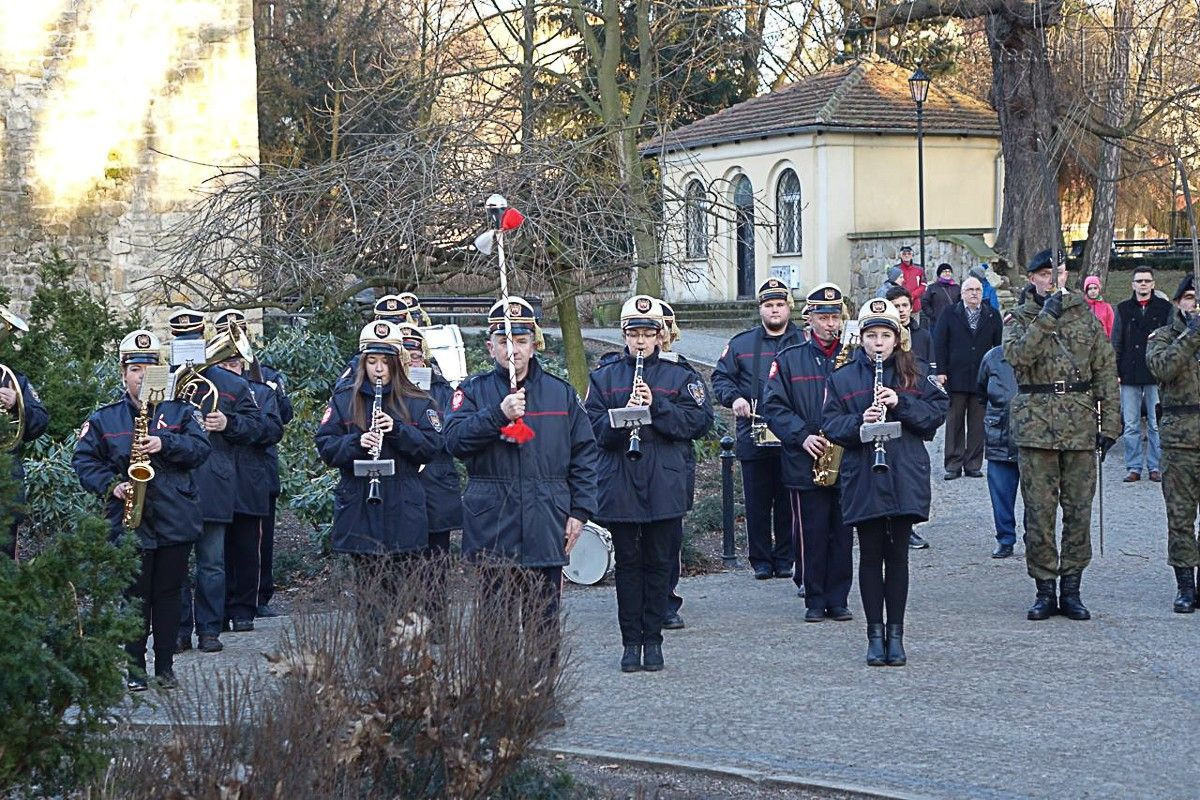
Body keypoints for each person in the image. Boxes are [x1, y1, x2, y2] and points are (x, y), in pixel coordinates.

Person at [442, 297, 598, 703]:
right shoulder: (472, 392)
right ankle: (497, 698)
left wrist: (579, 512)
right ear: (490, 346)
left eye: (522, 339)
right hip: (493, 520)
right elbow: (454, 441)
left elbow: (585, 455)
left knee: (543, 619)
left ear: (535, 344)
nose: (513, 348)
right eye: (503, 339)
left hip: (546, 520)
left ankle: (540, 698)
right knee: (495, 619)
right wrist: (498, 414)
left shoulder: (560, 394)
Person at [72, 330, 211, 691]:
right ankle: (134, 671)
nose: (140, 375)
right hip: (128, 518)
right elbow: (84, 461)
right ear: (124, 375)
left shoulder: (181, 411)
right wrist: (111, 486)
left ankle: (164, 668)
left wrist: (165, 442)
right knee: (133, 599)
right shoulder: (105, 419)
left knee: (168, 595)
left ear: (159, 374)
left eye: (148, 368)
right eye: (134, 369)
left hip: (175, 516)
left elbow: (201, 450)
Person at [586, 296, 712, 672]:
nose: (640, 342)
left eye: (648, 333)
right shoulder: (605, 376)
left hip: (665, 482)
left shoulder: (680, 376)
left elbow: (698, 424)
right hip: (621, 481)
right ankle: (630, 642)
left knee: (659, 563)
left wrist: (656, 405)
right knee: (627, 565)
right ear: (624, 336)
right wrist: (621, 416)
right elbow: (591, 429)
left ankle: (654, 640)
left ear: (661, 336)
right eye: (633, 334)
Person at [822, 299, 948, 666]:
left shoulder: (916, 374)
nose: (878, 343)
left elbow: (936, 415)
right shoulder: (842, 377)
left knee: (898, 558)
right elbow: (830, 423)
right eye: (871, 335)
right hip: (864, 474)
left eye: (885, 335)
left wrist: (900, 403)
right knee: (871, 553)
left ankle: (897, 634)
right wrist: (861, 422)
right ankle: (874, 635)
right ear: (861, 339)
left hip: (904, 472)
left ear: (898, 339)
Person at [1003, 249, 1120, 621]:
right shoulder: (1019, 317)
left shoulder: (1084, 315)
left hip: (1080, 424)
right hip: (1036, 425)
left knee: (1078, 512)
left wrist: (1111, 424)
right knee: (1038, 514)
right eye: (1042, 273)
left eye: (1057, 271)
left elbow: (1104, 368)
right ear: (1031, 278)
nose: (1050, 278)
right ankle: (1043, 589)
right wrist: (1046, 317)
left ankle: (1072, 588)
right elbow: (1018, 357)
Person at [315, 321, 443, 568]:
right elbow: (326, 446)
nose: (379, 369)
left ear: (396, 363)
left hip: (403, 503)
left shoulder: (417, 400)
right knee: (368, 589)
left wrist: (397, 430)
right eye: (372, 361)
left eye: (385, 362)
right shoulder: (345, 399)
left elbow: (432, 447)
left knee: (403, 589)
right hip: (359, 502)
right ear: (363, 363)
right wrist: (357, 442)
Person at [170, 308, 262, 654]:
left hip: (213, 480)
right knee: (175, 565)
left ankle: (209, 629)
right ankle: (178, 630)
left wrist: (228, 423)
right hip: (173, 483)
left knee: (211, 563)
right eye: (181, 341)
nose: (187, 346)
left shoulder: (233, 384)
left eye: (193, 340)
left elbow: (258, 427)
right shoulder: (161, 381)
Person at [762, 283, 854, 623]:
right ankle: (814, 598)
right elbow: (773, 406)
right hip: (806, 459)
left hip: (846, 457)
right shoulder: (788, 360)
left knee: (843, 533)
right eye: (824, 317)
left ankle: (839, 598)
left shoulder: (854, 357)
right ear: (809, 318)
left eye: (836, 316)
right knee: (811, 532)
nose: (831, 324)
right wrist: (802, 437)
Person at [711, 279, 803, 582]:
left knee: (789, 499)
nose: (774, 310)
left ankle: (786, 557)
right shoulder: (741, 344)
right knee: (757, 501)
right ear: (760, 309)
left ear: (788, 307)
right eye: (768, 305)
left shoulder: (803, 341)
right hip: (754, 432)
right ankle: (761, 560)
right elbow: (721, 378)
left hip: (793, 434)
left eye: (779, 304)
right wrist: (734, 398)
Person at [213, 309, 294, 619]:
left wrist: (263, 383)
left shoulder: (266, 376)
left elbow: (281, 419)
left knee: (258, 541)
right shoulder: (211, 380)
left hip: (257, 468)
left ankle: (259, 596)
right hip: (222, 469)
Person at [394, 322, 463, 626]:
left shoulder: (442, 387)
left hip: (436, 482)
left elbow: (450, 430)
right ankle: (406, 621)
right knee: (402, 560)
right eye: (406, 357)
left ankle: (437, 621)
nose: (413, 362)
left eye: (417, 356)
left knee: (436, 561)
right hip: (403, 485)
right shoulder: (390, 390)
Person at [217, 350, 283, 632]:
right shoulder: (207, 390)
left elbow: (271, 429)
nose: (230, 369)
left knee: (247, 548)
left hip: (249, 477)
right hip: (216, 478)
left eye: (234, 363)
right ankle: (217, 611)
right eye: (223, 364)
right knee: (216, 551)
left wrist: (231, 424)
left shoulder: (260, 392)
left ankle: (244, 608)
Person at [1145, 274, 1200, 613]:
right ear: (1180, 302)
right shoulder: (1163, 337)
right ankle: (1185, 586)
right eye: (1190, 297)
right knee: (1180, 516)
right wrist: (1191, 336)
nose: (1194, 303)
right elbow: (1162, 368)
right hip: (1180, 439)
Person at [656, 299, 704, 630]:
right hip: (631, 472)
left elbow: (697, 421)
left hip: (672, 466)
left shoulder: (683, 373)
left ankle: (666, 599)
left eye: (659, 330)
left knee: (669, 540)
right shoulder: (613, 369)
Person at [933, 276, 1002, 481]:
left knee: (977, 423)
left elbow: (998, 348)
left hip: (982, 378)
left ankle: (973, 463)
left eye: (978, 290)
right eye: (970, 289)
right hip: (955, 376)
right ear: (962, 293)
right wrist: (941, 371)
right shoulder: (950, 313)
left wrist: (996, 374)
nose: (974, 293)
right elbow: (939, 342)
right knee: (954, 421)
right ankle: (953, 464)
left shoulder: (992, 315)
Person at [1112, 267, 1171, 483]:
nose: (1143, 284)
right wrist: (1116, 370)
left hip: (1156, 373)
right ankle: (1134, 466)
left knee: (1156, 423)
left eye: (1147, 281)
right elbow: (1116, 341)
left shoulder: (1165, 309)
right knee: (1131, 423)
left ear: (1153, 284)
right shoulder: (1123, 309)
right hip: (1130, 372)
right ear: (1133, 285)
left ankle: (1155, 466)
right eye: (1139, 281)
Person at [0, 306, 49, 560]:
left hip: (6, 481)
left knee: (5, 561)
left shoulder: (13, 380)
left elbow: (41, 421)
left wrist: (15, 406)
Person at [977, 343, 1020, 558]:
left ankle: (1036, 539)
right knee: (1000, 493)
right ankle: (1005, 538)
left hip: (1033, 436)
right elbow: (981, 391)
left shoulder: (1044, 350)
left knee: (1037, 497)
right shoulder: (993, 356)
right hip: (999, 433)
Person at [885, 286, 933, 371]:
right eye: (896, 306)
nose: (901, 310)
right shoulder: (884, 337)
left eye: (905, 305)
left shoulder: (924, 336)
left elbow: (931, 365)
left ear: (911, 308)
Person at [922, 264, 960, 332]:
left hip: (953, 322)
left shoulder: (957, 288)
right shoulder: (932, 287)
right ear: (939, 274)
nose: (947, 273)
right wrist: (933, 315)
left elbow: (961, 302)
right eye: (944, 271)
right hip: (936, 323)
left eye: (949, 271)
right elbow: (925, 302)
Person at [894, 245, 927, 314]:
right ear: (900, 256)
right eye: (904, 254)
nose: (906, 256)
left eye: (909, 254)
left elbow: (923, 284)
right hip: (900, 306)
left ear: (912, 255)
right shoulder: (896, 269)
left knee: (915, 324)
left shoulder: (919, 269)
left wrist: (913, 295)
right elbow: (893, 285)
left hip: (915, 305)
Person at [1081, 275, 1115, 340]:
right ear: (1086, 290)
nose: (1093, 291)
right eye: (1090, 288)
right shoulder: (1081, 306)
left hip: (1102, 343)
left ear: (1099, 289)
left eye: (1095, 288)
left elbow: (1111, 328)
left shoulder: (1107, 307)